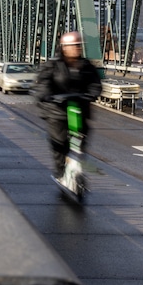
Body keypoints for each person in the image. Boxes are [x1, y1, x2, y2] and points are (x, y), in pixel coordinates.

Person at [33, 30, 102, 179]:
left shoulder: (86, 66)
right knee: (60, 144)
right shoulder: (52, 66)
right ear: (64, 47)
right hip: (57, 112)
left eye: (79, 45)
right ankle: (60, 172)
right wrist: (47, 95)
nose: (77, 48)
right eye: (74, 45)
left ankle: (75, 167)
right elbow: (43, 83)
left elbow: (95, 84)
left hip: (79, 110)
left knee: (80, 141)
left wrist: (92, 93)